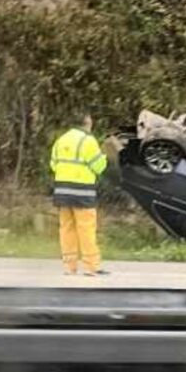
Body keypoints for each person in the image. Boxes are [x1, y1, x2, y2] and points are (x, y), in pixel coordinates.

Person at [50, 113, 109, 276]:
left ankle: (70, 267)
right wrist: (104, 157)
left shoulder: (61, 140)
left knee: (66, 228)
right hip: (82, 192)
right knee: (86, 228)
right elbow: (99, 167)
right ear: (87, 123)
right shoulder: (88, 141)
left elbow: (54, 165)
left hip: (62, 191)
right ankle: (91, 266)